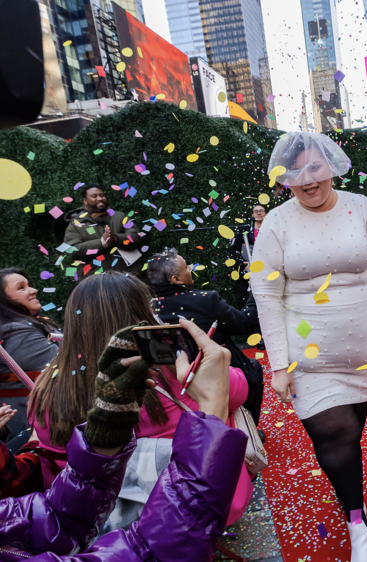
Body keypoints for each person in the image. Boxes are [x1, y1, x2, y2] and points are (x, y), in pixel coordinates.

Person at [251, 131, 367, 561]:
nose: (307, 179)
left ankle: (352, 500)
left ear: (331, 166)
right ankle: (357, 522)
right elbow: (265, 294)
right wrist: (279, 364)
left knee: (351, 434)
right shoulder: (277, 222)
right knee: (333, 433)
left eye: (314, 167)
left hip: (365, 349)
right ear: (283, 178)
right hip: (309, 357)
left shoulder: (361, 206)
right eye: (295, 171)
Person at [0, 318, 250, 562]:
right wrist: (212, 408)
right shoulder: (171, 373)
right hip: (208, 496)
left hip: (113, 516)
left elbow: (54, 520)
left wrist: (105, 433)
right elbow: (155, 552)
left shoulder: (47, 388)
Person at [148, 248, 265, 427]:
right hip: (224, 377)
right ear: (176, 280)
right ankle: (250, 429)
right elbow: (246, 323)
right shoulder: (206, 299)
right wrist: (255, 287)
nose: (191, 269)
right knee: (255, 369)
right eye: (186, 267)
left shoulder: (150, 309)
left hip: (175, 387)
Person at [0, 268, 59, 441]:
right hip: (33, 426)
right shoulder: (15, 332)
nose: (33, 291)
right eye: (21, 288)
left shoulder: (27, 324)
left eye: (30, 286)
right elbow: (69, 364)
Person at [63, 185, 141, 273]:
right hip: (96, 281)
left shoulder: (120, 216)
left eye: (102, 195)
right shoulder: (76, 225)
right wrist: (102, 243)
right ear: (85, 201)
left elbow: (136, 238)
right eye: (94, 196)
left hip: (128, 276)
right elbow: (72, 250)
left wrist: (116, 239)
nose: (100, 198)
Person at [229, 204, 267, 300]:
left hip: (266, 271)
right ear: (252, 215)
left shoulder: (270, 230)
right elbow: (233, 250)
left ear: (266, 214)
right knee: (246, 301)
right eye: (256, 211)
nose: (258, 212)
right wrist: (244, 262)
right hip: (245, 272)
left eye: (261, 210)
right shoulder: (243, 231)